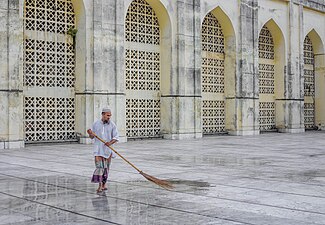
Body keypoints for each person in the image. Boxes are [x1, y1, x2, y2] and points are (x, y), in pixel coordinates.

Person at [87, 107, 119, 193]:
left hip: (108, 150)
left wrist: (110, 142)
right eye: (107, 115)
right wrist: (90, 134)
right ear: (103, 114)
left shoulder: (112, 125)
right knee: (99, 167)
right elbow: (92, 137)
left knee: (106, 168)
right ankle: (100, 185)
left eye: (110, 116)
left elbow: (116, 137)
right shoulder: (96, 124)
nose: (109, 117)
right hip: (98, 149)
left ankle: (104, 184)